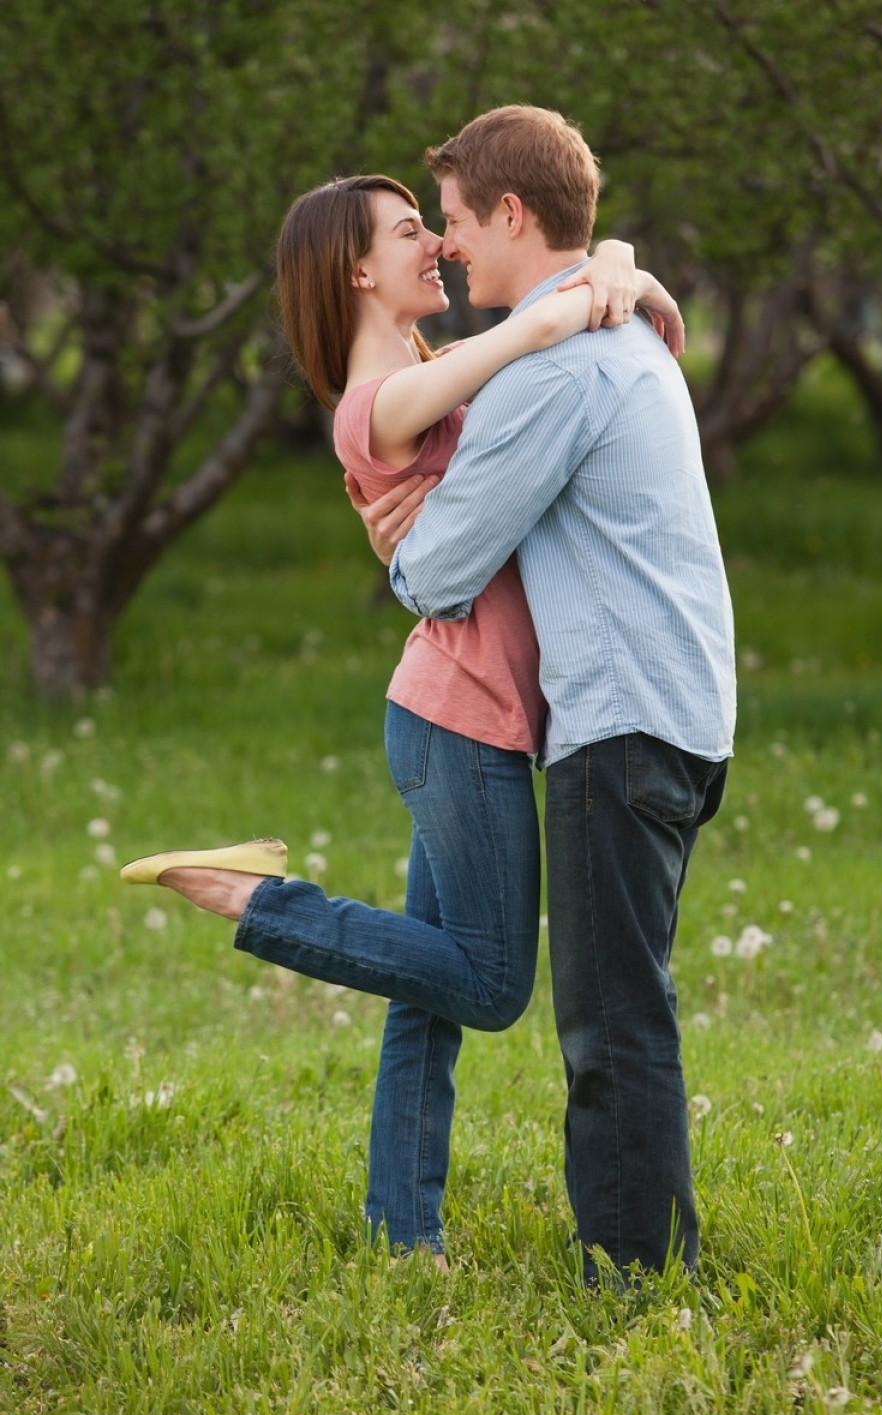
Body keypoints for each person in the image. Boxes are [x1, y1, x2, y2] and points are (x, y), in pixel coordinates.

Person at [121, 171, 685, 1270]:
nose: (435, 244)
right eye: (408, 231)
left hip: (466, 715)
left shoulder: (425, 375)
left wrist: (612, 263)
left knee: (424, 990)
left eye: (433, 224)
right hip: (457, 723)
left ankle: (402, 1229)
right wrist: (578, 294)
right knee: (485, 983)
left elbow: (574, 317)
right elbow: (525, 343)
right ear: (357, 271)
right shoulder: (374, 402)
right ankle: (254, 900)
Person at [351, 107, 736, 1285]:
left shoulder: (555, 363)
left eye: (457, 221)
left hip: (616, 722)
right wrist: (617, 266)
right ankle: (645, 1249)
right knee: (632, 1000)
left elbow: (439, 569)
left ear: (513, 214)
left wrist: (397, 544)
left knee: (611, 1020)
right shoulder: (627, 334)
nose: (450, 245)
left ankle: (631, 1270)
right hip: (684, 711)